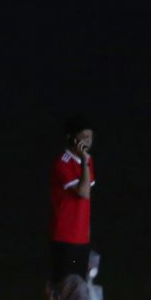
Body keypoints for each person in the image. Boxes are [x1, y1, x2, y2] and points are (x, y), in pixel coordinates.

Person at [50, 118, 96, 286]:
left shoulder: (87, 161)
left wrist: (87, 233)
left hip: (81, 237)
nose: (88, 141)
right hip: (65, 237)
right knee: (64, 283)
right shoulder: (63, 162)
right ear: (71, 138)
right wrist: (85, 162)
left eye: (90, 137)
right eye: (83, 137)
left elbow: (88, 197)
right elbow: (83, 192)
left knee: (81, 283)